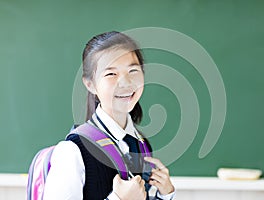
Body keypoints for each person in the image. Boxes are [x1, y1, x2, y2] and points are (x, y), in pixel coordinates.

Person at [43, 31, 175, 200]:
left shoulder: (141, 146)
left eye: (133, 70)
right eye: (111, 74)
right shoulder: (73, 150)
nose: (125, 83)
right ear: (90, 84)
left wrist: (166, 194)